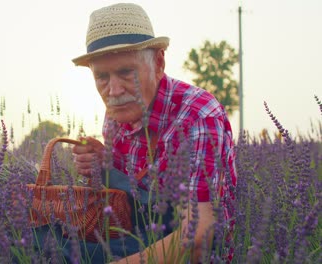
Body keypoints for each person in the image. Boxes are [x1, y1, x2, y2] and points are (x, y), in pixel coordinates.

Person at [69, 2, 237, 264]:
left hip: (186, 254)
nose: (113, 90)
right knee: (43, 241)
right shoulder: (116, 115)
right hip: (138, 240)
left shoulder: (198, 116)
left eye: (126, 72)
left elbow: (199, 236)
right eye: (101, 76)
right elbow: (129, 202)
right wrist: (104, 165)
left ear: (159, 62)